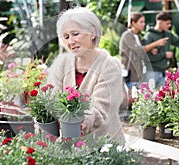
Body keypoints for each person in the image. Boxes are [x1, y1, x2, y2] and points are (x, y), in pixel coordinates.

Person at [47, 7, 125, 143]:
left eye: (75, 34)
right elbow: (51, 97)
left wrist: (84, 120)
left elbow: (101, 107)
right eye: (66, 37)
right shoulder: (61, 63)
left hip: (105, 146)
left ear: (92, 33)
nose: (71, 42)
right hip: (69, 144)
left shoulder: (109, 65)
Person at [119, 13, 169, 89]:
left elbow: (143, 52)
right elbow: (139, 50)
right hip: (129, 75)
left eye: (144, 22)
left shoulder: (138, 37)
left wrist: (151, 50)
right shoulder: (127, 35)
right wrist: (156, 43)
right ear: (133, 23)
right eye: (141, 22)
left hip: (138, 75)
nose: (144, 24)